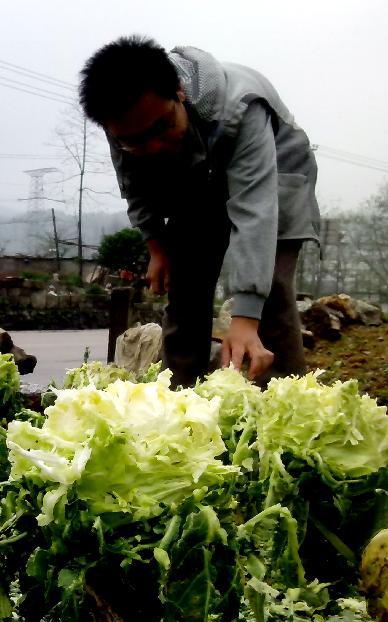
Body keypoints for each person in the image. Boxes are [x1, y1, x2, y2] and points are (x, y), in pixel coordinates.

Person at [79, 36, 320, 387]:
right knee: (185, 285)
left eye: (161, 128)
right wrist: (157, 247)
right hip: (198, 177)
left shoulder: (240, 106)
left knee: (271, 292)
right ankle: (178, 397)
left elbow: (255, 209)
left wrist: (245, 317)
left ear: (179, 91)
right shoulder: (124, 123)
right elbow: (134, 184)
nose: (153, 147)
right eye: (135, 141)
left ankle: (285, 402)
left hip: (276, 174)